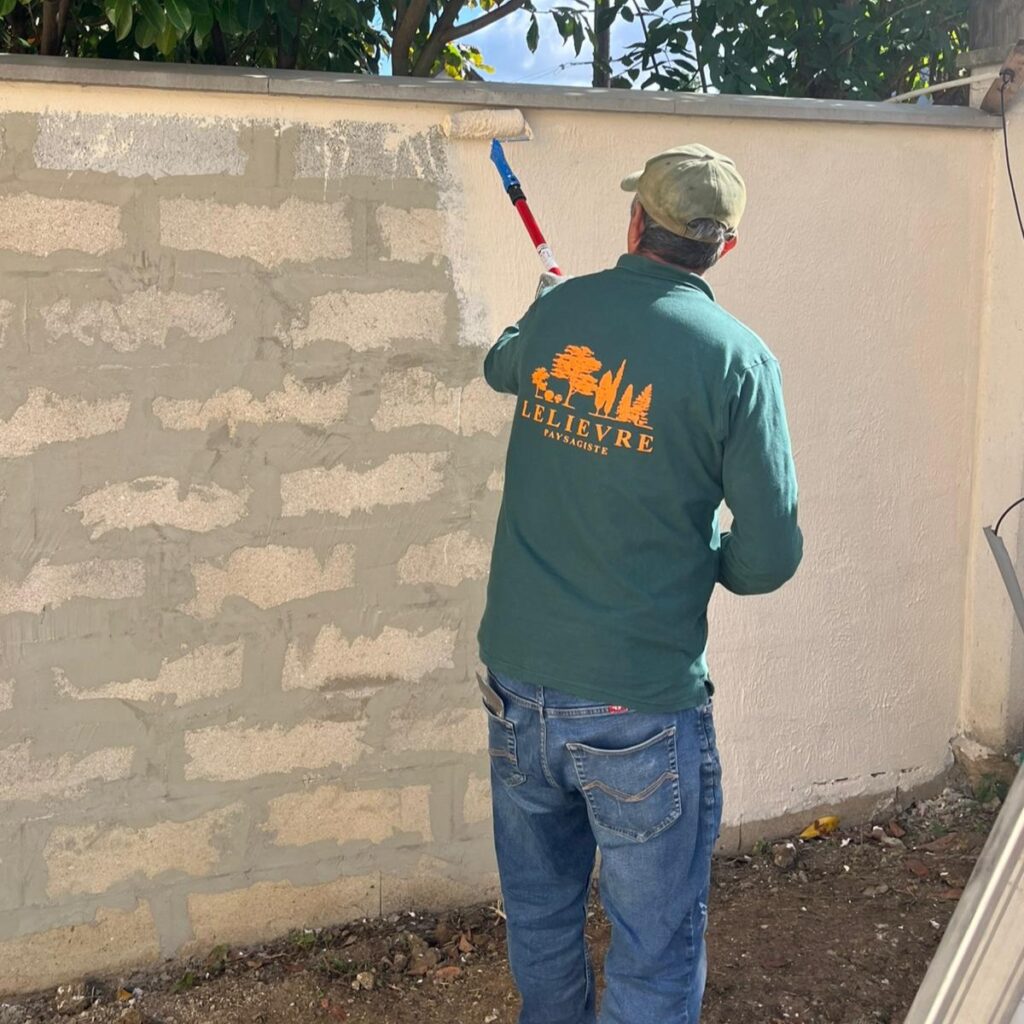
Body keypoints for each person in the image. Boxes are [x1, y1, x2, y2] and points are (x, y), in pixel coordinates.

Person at [477, 143, 803, 1024]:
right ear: (723, 247)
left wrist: (544, 307)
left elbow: (503, 363)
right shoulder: (737, 360)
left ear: (636, 223)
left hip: (517, 687)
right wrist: (704, 560)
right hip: (638, 706)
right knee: (654, 946)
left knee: (541, 912)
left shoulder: (563, 313)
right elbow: (769, 557)